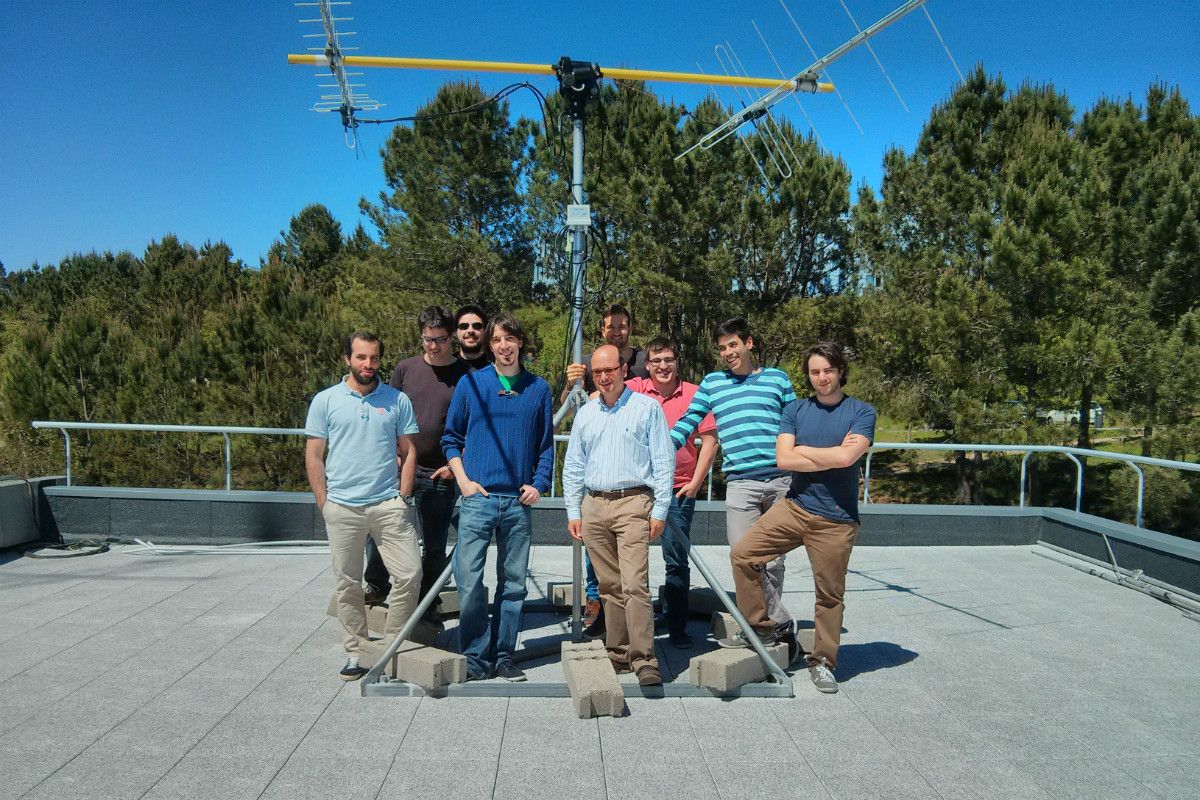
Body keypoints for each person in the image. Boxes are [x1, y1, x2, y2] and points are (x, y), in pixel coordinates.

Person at [722, 341, 875, 694]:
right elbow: (785, 460)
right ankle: (762, 625)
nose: (822, 378)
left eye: (828, 370)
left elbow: (847, 459)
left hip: (836, 519)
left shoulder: (861, 412)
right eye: (814, 372)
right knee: (744, 555)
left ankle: (822, 663)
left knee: (829, 596)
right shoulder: (794, 409)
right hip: (795, 507)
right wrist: (831, 454)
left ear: (840, 371)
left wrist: (807, 451)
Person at [668, 318, 800, 660]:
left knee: (773, 561)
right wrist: (662, 448)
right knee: (743, 558)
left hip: (782, 479)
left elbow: (797, 423)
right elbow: (689, 421)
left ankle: (761, 628)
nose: (728, 352)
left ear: (749, 343)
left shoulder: (777, 379)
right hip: (741, 483)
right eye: (722, 348)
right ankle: (778, 623)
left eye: (733, 345)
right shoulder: (713, 383)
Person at [441, 313, 554, 682]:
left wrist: (538, 483)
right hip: (478, 499)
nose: (504, 345)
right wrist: (464, 482)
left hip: (518, 503)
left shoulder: (538, 389)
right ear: (489, 345)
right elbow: (451, 438)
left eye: (511, 338)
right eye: (497, 339)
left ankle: (504, 654)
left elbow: (545, 446)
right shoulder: (472, 384)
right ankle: (475, 655)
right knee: (469, 579)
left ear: (521, 342)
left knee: (514, 584)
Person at [305, 332, 421, 681]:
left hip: (388, 504)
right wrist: (325, 504)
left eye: (373, 358)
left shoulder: (397, 400)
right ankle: (356, 652)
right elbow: (313, 455)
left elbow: (409, 450)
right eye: (361, 357)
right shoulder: (325, 401)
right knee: (348, 584)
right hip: (343, 508)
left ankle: (390, 647)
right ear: (347, 359)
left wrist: (403, 497)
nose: (368, 364)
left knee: (410, 575)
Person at [562, 345, 675, 686]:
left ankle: (645, 659)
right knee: (609, 586)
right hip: (594, 506)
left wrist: (660, 510)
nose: (604, 377)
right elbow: (574, 466)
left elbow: (663, 462)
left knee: (635, 584)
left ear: (624, 369)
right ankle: (619, 652)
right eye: (597, 372)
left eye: (610, 369)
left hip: (633, 503)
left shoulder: (646, 409)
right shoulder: (586, 413)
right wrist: (573, 510)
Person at [362, 307, 472, 613]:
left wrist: (456, 464)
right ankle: (376, 585)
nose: (434, 346)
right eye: (427, 339)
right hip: (399, 470)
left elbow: (475, 426)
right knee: (380, 531)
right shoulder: (405, 369)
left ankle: (426, 601)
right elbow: (386, 416)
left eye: (440, 340)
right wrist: (392, 455)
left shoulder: (467, 376)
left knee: (434, 546)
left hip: (441, 472)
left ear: (452, 338)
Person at [562, 304, 652, 629]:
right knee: (595, 553)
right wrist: (570, 382)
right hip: (597, 468)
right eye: (611, 326)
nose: (617, 330)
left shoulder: (643, 361)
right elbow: (568, 407)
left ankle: (633, 621)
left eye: (622, 325)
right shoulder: (589, 362)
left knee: (632, 566)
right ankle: (596, 606)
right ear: (602, 330)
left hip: (633, 475)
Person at [626, 336, 718, 648]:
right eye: (657, 361)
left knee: (675, 559)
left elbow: (709, 440)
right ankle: (632, 624)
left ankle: (677, 626)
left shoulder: (695, 393)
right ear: (647, 365)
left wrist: (696, 481)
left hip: (679, 488)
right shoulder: (636, 390)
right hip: (639, 487)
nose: (663, 366)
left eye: (669, 360)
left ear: (677, 362)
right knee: (631, 557)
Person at [454, 304, 491, 370]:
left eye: (477, 326)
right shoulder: (446, 365)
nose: (470, 330)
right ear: (455, 331)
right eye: (463, 326)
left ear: (485, 330)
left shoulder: (497, 366)